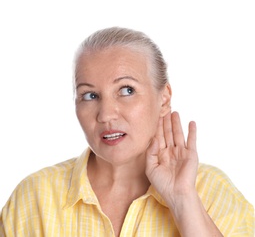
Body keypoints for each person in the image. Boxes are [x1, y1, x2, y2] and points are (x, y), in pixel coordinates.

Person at [0, 27, 254, 237]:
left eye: (127, 90)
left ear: (164, 99)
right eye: (90, 95)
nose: (106, 114)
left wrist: (183, 200)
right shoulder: (33, 197)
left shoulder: (210, 190)